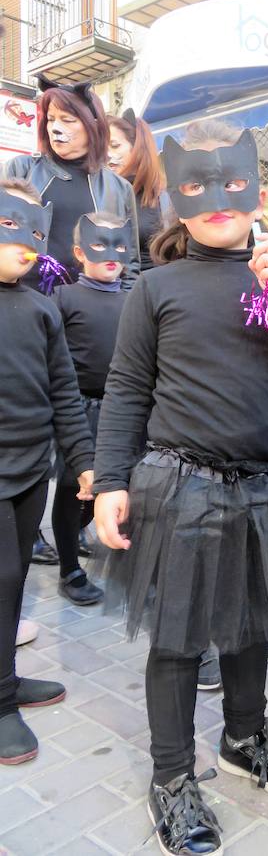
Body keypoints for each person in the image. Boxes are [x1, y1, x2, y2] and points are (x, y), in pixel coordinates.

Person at [93, 119, 268, 856]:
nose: (217, 201)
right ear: (177, 198)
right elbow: (128, 388)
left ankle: (243, 737)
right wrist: (110, 482)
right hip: (180, 487)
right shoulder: (156, 288)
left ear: (255, 191)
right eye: (197, 187)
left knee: (250, 626)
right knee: (176, 638)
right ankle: (172, 776)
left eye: (231, 185)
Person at [2, 76, 139, 566]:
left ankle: (71, 517)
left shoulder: (115, 186)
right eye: (50, 121)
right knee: (35, 415)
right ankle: (29, 522)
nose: (57, 130)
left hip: (90, 316)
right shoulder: (22, 168)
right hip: (30, 306)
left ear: (92, 125)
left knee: (77, 417)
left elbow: (134, 264)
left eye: (68, 121)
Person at [0, 179, 94, 765]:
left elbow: (64, 389)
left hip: (32, 467)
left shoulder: (40, 308)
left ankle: (4, 681)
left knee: (12, 584)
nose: (29, 242)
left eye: (38, 231)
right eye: (12, 226)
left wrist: (83, 462)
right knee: (6, 576)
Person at [50, 212, 130, 606]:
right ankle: (70, 568)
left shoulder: (136, 298)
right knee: (73, 491)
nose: (112, 254)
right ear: (80, 252)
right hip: (78, 410)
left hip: (125, 409)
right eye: (101, 245)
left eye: (120, 244)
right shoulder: (63, 298)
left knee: (119, 486)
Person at [107, 108, 169, 272]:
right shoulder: (102, 192)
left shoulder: (164, 196)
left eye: (114, 146)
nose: (107, 154)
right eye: (102, 147)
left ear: (137, 148)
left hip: (156, 286)